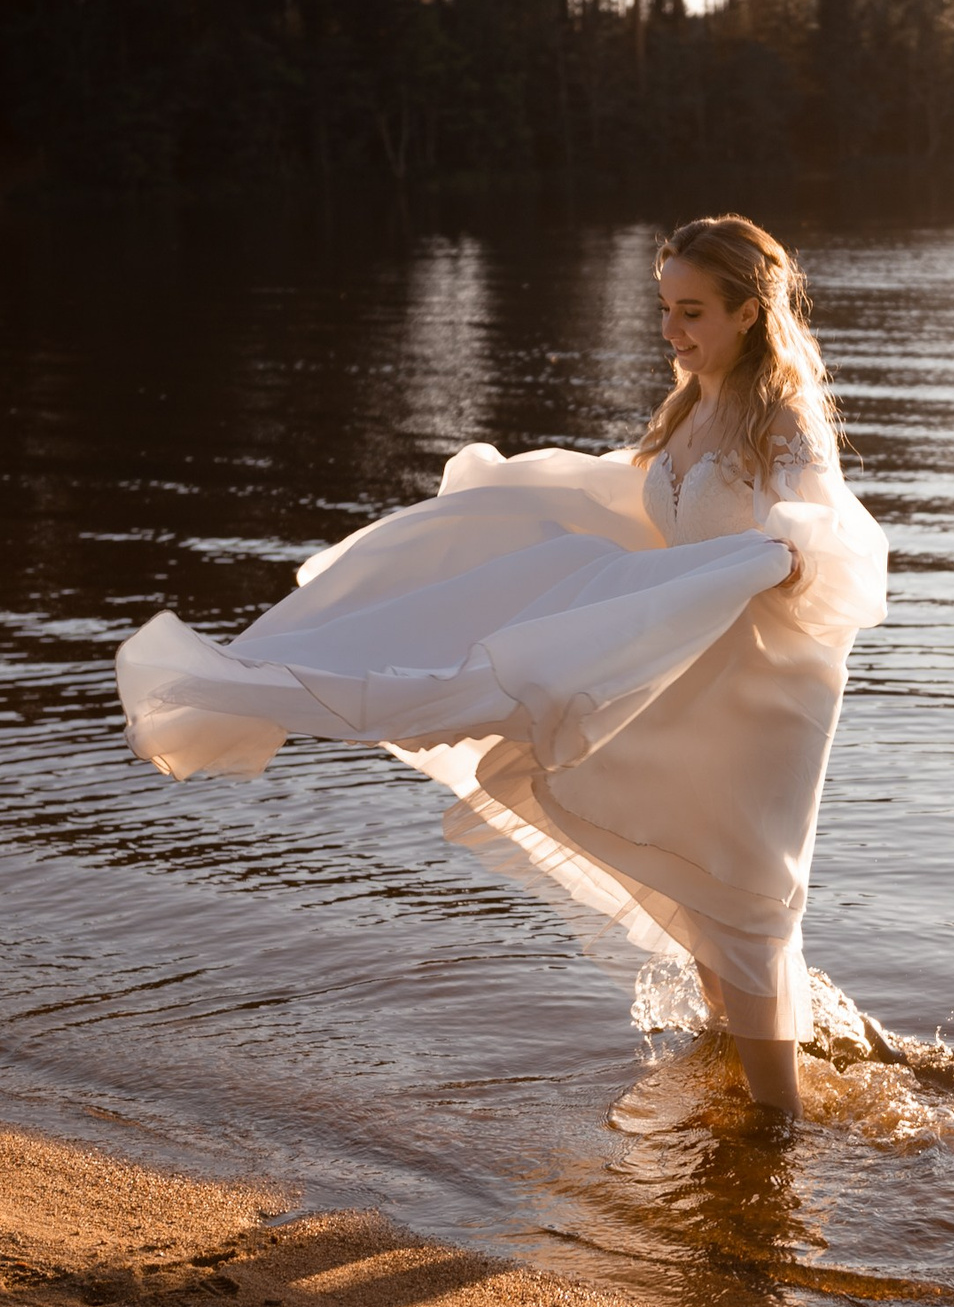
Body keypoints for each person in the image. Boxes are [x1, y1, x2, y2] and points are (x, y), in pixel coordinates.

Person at [113, 215, 888, 1114]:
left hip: (753, 691)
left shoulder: (781, 417)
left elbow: (823, 545)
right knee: (700, 896)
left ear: (750, 313)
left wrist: (768, 557)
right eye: (665, 308)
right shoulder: (690, 399)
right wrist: (512, 518)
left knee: (747, 904)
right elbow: (647, 510)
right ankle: (750, 1097)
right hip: (671, 674)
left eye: (692, 312)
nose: (671, 331)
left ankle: (777, 1132)